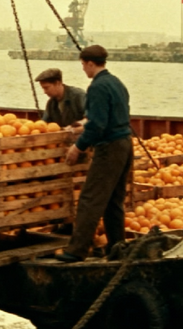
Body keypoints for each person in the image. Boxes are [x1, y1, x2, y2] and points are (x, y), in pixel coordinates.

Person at [57, 45, 132, 263]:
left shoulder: (97, 87)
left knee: (90, 199)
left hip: (109, 148)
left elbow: (98, 125)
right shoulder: (116, 83)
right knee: (113, 201)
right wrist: (82, 125)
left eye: (83, 65)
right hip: (125, 144)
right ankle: (117, 248)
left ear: (90, 63)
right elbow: (110, 116)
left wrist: (78, 147)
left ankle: (77, 250)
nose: (83, 69)